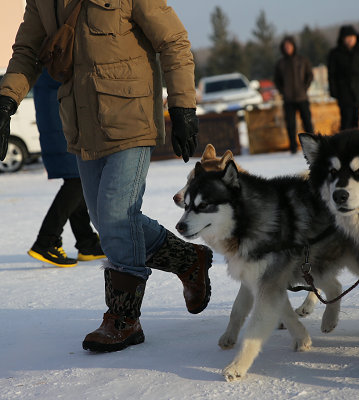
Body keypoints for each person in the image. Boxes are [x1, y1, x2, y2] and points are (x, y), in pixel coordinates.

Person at [0, 0, 212, 353]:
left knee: (116, 214)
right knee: (107, 219)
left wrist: (182, 106)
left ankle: (124, 318)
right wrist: (6, 103)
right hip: (83, 124)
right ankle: (189, 260)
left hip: (132, 114)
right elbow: (26, 51)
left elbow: (173, 40)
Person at [27, 68, 105, 268]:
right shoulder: (56, 58)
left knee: (76, 180)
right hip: (64, 124)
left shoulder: (48, 61)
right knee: (77, 181)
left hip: (61, 123)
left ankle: (86, 242)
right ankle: (46, 242)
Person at [274, 36, 314, 154]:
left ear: (293, 46)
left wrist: (304, 88)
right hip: (288, 99)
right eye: (285, 46)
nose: (288, 48)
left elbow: (309, 75)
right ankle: (293, 147)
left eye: (289, 46)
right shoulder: (280, 63)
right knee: (291, 125)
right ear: (283, 48)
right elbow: (277, 80)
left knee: (307, 122)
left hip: (302, 97)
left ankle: (312, 146)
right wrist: (283, 91)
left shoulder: (302, 60)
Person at [327, 25, 359, 130]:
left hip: (357, 90)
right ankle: (345, 144)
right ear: (342, 39)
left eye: (352, 37)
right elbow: (331, 74)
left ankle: (356, 144)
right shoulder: (335, 53)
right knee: (346, 120)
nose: (350, 40)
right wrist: (333, 91)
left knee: (356, 119)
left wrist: (356, 71)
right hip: (343, 91)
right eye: (347, 37)